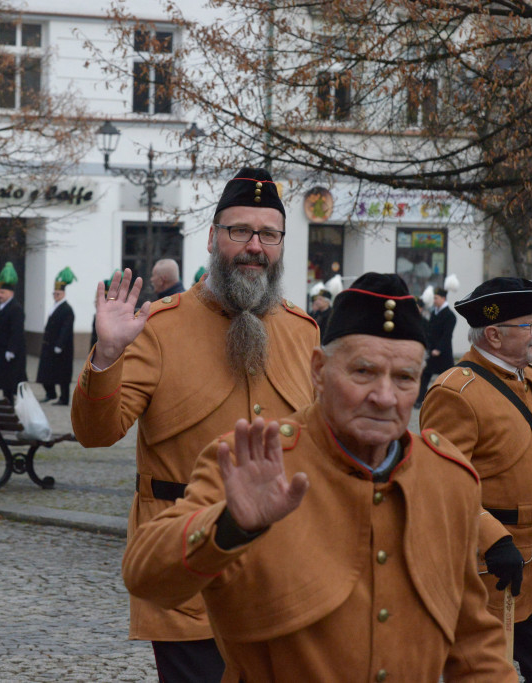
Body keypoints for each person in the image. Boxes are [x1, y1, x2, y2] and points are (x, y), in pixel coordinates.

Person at [121, 273, 517, 681]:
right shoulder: (255, 464)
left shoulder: (447, 478)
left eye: (404, 378)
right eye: (363, 372)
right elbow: (146, 576)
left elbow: (473, 646)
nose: (384, 397)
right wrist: (230, 526)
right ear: (318, 370)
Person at [72, 167, 319, 683]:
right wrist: (108, 355)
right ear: (212, 237)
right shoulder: (160, 327)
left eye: (268, 234)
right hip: (188, 573)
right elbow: (96, 432)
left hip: (286, 574)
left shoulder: (302, 332)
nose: (254, 246)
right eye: (239, 231)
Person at [419, 277, 532, 682]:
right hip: (491, 572)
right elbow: (442, 485)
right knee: (483, 673)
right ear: (493, 334)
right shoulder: (456, 393)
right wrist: (492, 538)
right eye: (531, 324)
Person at [0, 262, 28, 401]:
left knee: (8, 385)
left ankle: (8, 407)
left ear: (10, 293)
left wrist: (12, 350)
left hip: (9, 353)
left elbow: (16, 331)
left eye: (2, 292)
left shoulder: (15, 308)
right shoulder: (4, 306)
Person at [415, 275, 459, 408]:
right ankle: (419, 400)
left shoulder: (450, 316)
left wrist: (439, 349)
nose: (434, 300)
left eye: (436, 298)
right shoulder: (434, 313)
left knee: (448, 379)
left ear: (443, 298)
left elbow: (447, 335)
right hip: (432, 351)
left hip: (443, 353)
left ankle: (449, 400)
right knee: (425, 376)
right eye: (433, 298)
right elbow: (430, 332)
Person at [37, 267, 76, 405]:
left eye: (58, 293)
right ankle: (50, 393)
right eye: (54, 293)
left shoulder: (67, 309)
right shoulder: (54, 306)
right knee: (47, 371)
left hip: (62, 348)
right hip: (50, 345)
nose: (56, 296)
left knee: (62, 374)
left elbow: (66, 329)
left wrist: (60, 345)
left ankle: (64, 398)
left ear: (63, 294)